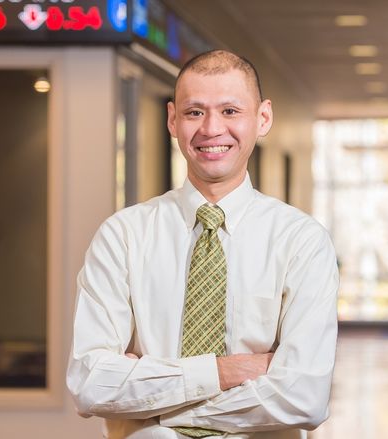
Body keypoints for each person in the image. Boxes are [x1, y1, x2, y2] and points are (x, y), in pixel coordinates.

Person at [66, 49, 339, 439]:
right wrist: (225, 371)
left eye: (230, 111)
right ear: (172, 120)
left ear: (262, 118)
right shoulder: (122, 236)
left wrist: (154, 404)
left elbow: (303, 397)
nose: (211, 129)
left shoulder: (301, 241)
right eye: (195, 112)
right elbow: (90, 384)